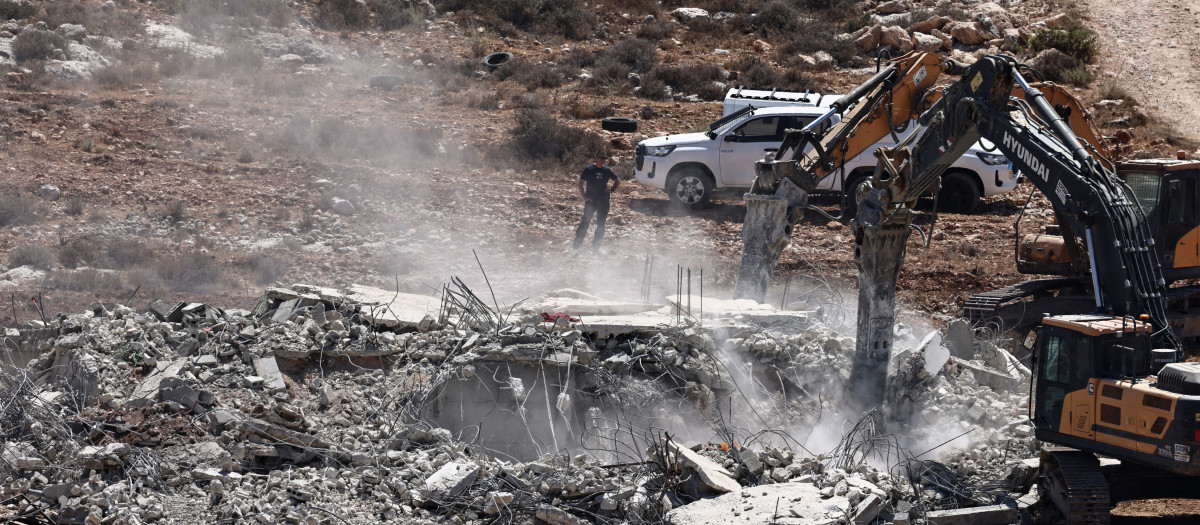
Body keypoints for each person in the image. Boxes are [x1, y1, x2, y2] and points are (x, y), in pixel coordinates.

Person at [573, 151, 619, 252]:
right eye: (601, 158)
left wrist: (612, 190)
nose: (603, 160)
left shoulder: (607, 170)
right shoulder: (589, 169)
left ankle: (595, 248)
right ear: (596, 157)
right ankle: (576, 246)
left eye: (604, 159)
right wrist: (584, 197)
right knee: (585, 222)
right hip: (591, 200)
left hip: (603, 201)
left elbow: (617, 180)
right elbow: (580, 183)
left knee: (601, 224)